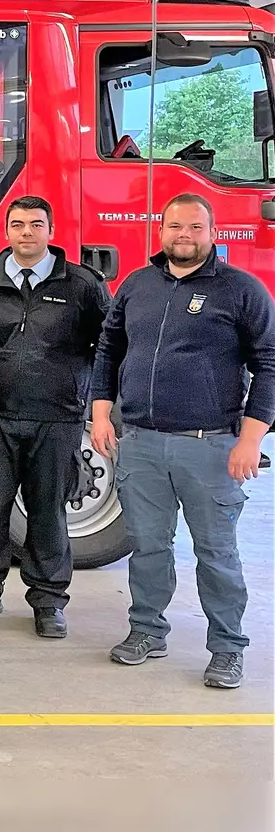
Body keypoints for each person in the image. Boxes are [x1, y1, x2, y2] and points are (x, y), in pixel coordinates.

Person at [92, 193, 275, 690]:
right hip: (143, 444)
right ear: (161, 230)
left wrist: (249, 439)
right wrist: (101, 413)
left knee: (216, 553)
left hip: (211, 446)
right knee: (148, 547)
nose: (184, 235)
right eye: (175, 226)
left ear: (211, 231)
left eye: (195, 227)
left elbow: (269, 367)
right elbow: (109, 350)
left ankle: (228, 648)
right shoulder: (138, 284)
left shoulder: (241, 290)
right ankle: (147, 631)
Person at [0, 196, 111, 638]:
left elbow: (106, 349)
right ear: (6, 231)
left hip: (57, 418)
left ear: (50, 230)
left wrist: (94, 403)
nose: (26, 232)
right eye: (17, 224)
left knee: (48, 511)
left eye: (35, 224)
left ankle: (48, 601)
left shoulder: (82, 285)